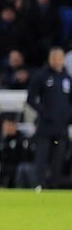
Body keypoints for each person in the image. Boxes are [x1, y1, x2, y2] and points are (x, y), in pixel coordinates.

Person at [26, 46, 72, 189]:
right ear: (50, 59)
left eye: (60, 58)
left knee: (58, 158)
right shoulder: (42, 76)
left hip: (62, 126)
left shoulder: (67, 78)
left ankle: (54, 185)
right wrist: (44, 113)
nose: (57, 60)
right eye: (54, 57)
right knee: (42, 157)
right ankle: (40, 184)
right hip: (46, 126)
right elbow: (31, 99)